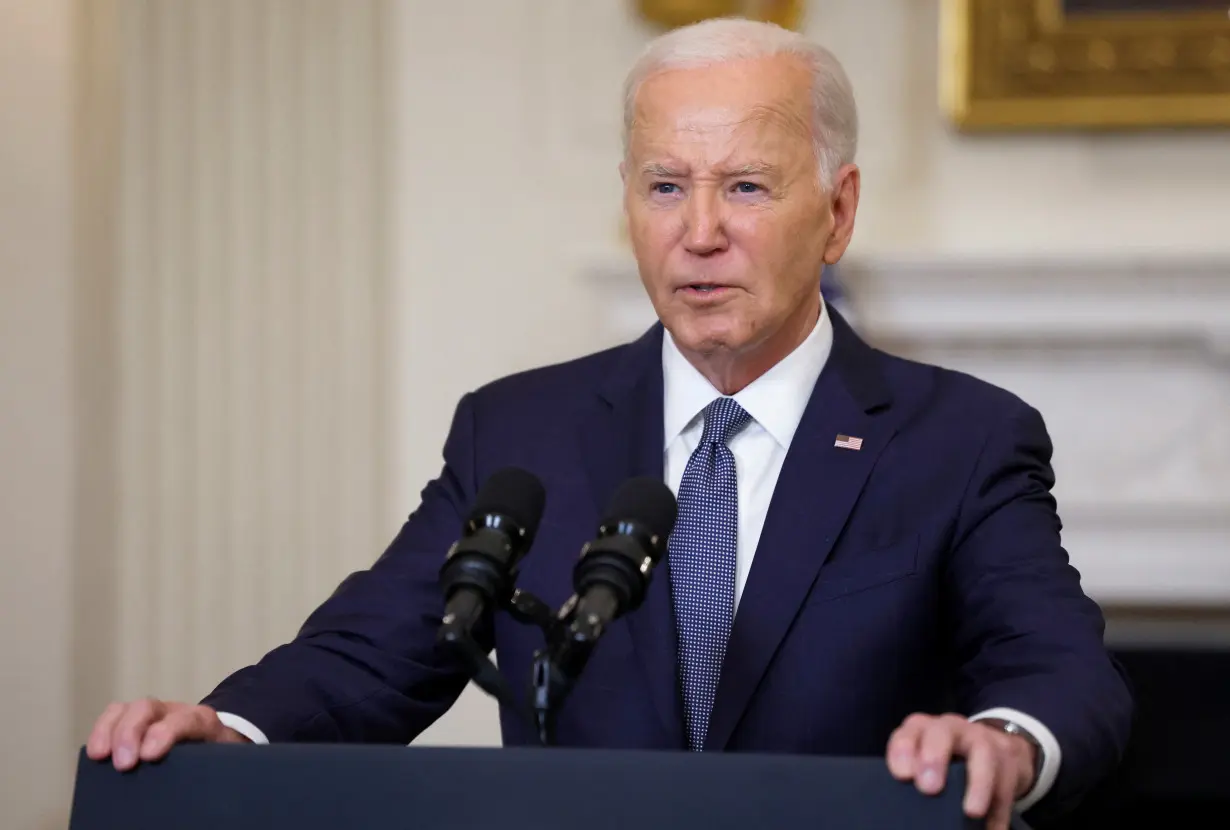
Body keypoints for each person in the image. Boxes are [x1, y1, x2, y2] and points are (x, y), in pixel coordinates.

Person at [86, 18, 1132, 829]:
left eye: (748, 187)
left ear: (839, 210)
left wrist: (1003, 742)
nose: (702, 233)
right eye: (666, 186)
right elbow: (375, 651)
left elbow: (1061, 673)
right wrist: (230, 724)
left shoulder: (961, 437)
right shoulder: (520, 430)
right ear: (627, 202)